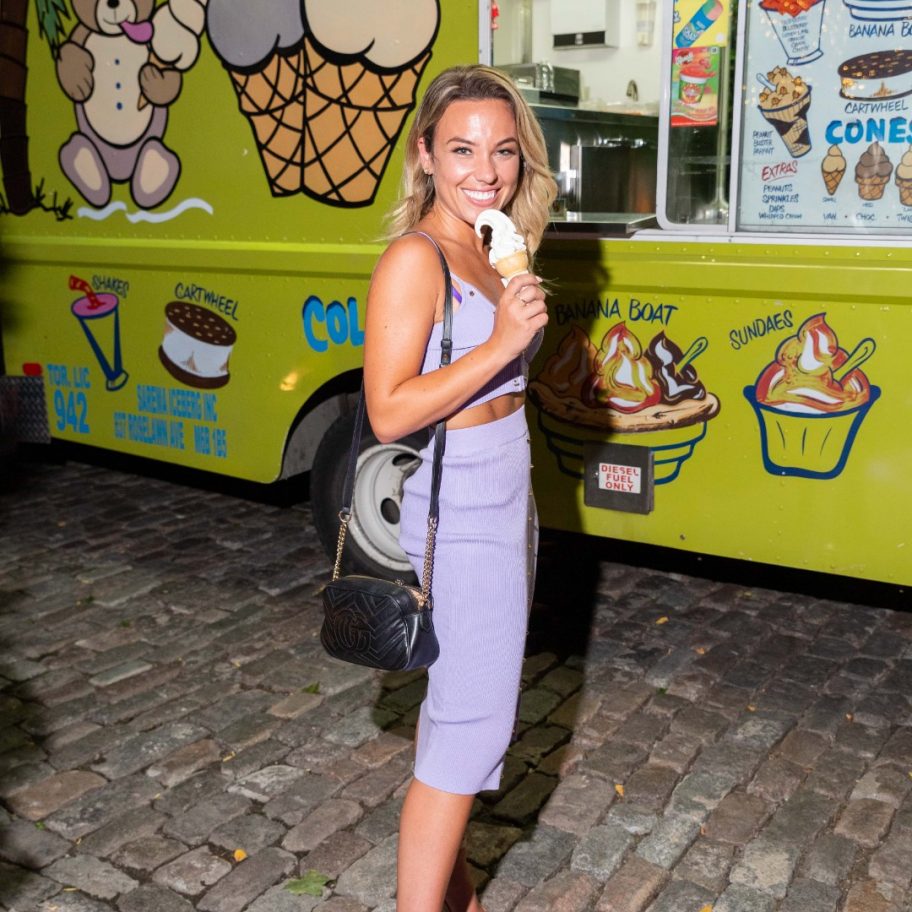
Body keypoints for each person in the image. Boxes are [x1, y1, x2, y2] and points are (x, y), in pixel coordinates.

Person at [363, 64, 557, 912]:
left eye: (504, 150)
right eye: (463, 150)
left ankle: (459, 901)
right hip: (461, 503)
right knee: (470, 734)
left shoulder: (491, 244)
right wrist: (501, 343)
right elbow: (387, 411)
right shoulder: (417, 258)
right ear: (426, 155)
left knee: (459, 717)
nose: (487, 170)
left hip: (510, 492)